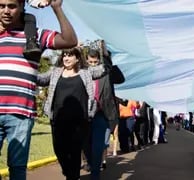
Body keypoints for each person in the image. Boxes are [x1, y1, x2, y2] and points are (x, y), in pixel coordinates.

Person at [0, 0, 77, 179]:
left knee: (17, 167)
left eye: (11, 6)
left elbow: (70, 40)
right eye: (1, 6)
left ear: (21, 7)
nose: (5, 11)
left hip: (20, 113)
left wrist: (56, 7)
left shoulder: (34, 35)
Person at [37, 47, 108, 180]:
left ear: (77, 58)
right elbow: (39, 79)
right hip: (58, 121)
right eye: (64, 55)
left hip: (79, 123)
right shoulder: (55, 72)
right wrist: (32, 61)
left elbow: (104, 69)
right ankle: (69, 172)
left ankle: (73, 176)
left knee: (75, 153)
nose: (66, 58)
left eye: (70, 55)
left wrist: (106, 53)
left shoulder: (86, 72)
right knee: (59, 151)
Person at [84, 41, 121, 179]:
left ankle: (95, 174)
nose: (93, 65)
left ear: (99, 61)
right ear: (87, 61)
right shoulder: (83, 72)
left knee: (99, 145)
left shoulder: (106, 71)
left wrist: (107, 57)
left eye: (95, 62)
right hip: (86, 114)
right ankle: (91, 162)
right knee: (86, 145)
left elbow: (119, 78)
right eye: (91, 62)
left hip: (102, 113)